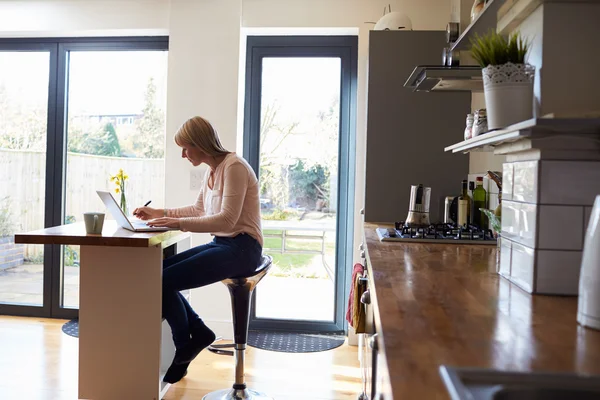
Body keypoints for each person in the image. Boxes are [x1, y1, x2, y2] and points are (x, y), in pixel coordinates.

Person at [133, 116, 263, 384]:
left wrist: (177, 223)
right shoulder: (213, 170)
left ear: (201, 144)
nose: (183, 155)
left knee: (162, 280)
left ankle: (185, 344)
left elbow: (227, 219)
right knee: (153, 274)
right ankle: (199, 334)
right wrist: (158, 212)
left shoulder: (234, 167)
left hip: (243, 247)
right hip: (225, 243)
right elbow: (199, 210)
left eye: (185, 148)